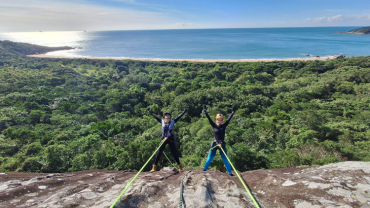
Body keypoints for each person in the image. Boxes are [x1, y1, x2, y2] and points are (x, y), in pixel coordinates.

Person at [148, 107, 188, 172]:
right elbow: (156, 117)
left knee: (174, 153)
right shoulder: (162, 121)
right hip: (164, 139)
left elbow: (179, 117)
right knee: (159, 153)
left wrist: (184, 111)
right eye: (166, 115)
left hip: (170, 139)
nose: (167, 116)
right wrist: (151, 112)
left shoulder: (173, 121)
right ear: (165, 117)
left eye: (168, 115)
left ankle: (180, 166)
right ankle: (154, 167)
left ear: (170, 117)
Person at [203, 104, 237, 176]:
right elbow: (209, 119)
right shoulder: (214, 125)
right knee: (210, 158)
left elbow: (228, 120)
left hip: (222, 144)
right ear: (216, 120)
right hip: (215, 144)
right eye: (218, 119)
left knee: (225, 159)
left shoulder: (224, 126)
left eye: (221, 120)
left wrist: (232, 113)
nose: (220, 121)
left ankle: (230, 173)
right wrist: (206, 112)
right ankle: (204, 170)